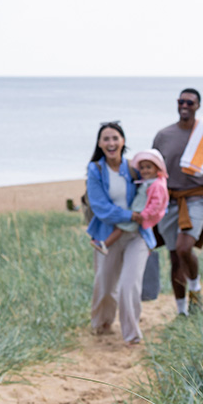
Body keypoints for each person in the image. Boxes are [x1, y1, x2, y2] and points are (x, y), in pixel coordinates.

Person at [151, 88, 203, 316]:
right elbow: (151, 170)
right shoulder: (163, 135)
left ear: (197, 106)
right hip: (169, 200)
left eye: (190, 102)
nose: (184, 105)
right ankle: (182, 311)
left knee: (186, 248)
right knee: (174, 257)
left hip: (196, 198)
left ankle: (195, 287)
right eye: (181, 101)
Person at [85, 121, 147, 345]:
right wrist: (129, 216)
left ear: (123, 141)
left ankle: (132, 335)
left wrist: (140, 217)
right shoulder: (96, 170)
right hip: (107, 236)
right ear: (100, 144)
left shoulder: (135, 168)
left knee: (129, 286)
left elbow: (152, 193)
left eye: (115, 138)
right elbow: (100, 208)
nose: (111, 143)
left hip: (136, 236)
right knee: (104, 287)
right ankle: (101, 324)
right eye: (106, 139)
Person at [99, 148, 169, 253]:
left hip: (140, 213)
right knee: (124, 227)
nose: (145, 170)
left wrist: (144, 214)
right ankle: (105, 244)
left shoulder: (157, 184)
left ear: (157, 168)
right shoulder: (147, 182)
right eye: (142, 168)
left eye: (149, 167)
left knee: (122, 227)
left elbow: (156, 204)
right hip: (137, 210)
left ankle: (105, 245)